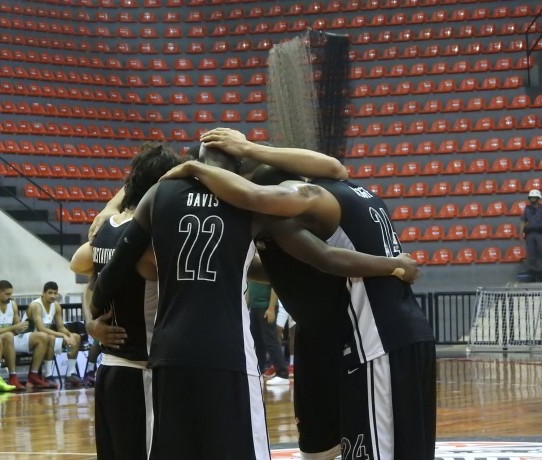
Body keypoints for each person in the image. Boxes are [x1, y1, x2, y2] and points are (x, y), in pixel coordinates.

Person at [164, 127, 435, 460]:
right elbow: (331, 176)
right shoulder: (344, 190)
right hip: (394, 329)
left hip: (375, 333)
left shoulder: (304, 198)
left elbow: (324, 256)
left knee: (376, 449)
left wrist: (393, 266)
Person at [92, 144, 272, 460]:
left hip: (155, 357)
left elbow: (98, 278)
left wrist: (91, 319)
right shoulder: (244, 201)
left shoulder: (139, 209)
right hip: (210, 353)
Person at [70, 142, 182, 460]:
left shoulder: (107, 228)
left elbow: (79, 267)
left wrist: (91, 323)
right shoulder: (146, 239)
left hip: (109, 367)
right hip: (139, 368)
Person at [0, 280, 55, 390]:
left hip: (11, 339)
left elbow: (17, 327)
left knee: (43, 336)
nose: (10, 297)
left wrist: (23, 327)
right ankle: (12, 376)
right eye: (7, 294)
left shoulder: (12, 304)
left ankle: (33, 375)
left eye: (11, 294)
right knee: (8, 335)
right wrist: (13, 328)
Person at [23, 282, 83, 388]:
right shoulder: (36, 305)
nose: (53, 296)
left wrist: (69, 334)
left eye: (55, 293)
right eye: (50, 293)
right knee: (50, 337)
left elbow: (61, 327)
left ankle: (70, 374)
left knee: (76, 337)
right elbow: (41, 328)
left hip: (46, 339)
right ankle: (48, 375)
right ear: (43, 293)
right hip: (28, 339)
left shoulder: (56, 305)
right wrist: (62, 335)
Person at [247, 281, 290, 385]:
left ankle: (282, 373)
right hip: (254, 307)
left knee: (271, 340)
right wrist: (247, 306)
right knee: (256, 341)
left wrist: (271, 308)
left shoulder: (266, 266)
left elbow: (275, 287)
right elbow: (248, 287)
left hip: (266, 306)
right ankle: (259, 371)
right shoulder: (251, 266)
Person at [520, 189, 542, 282]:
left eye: (534, 197)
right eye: (531, 197)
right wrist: (521, 232)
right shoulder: (527, 209)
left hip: (540, 233)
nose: (533, 199)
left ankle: (540, 273)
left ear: (538, 198)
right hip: (530, 235)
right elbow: (523, 221)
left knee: (540, 253)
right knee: (531, 254)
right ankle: (533, 273)